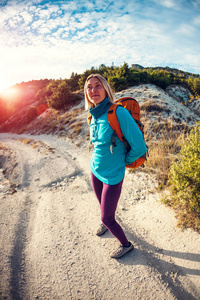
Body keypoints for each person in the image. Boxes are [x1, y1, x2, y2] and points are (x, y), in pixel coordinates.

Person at [84, 74, 147, 259]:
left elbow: (140, 147)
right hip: (95, 170)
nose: (93, 90)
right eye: (89, 87)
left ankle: (126, 245)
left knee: (106, 217)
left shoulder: (118, 112)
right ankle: (106, 223)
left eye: (98, 86)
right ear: (86, 92)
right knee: (102, 206)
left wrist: (125, 161)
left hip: (113, 175)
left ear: (105, 89)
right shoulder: (93, 114)